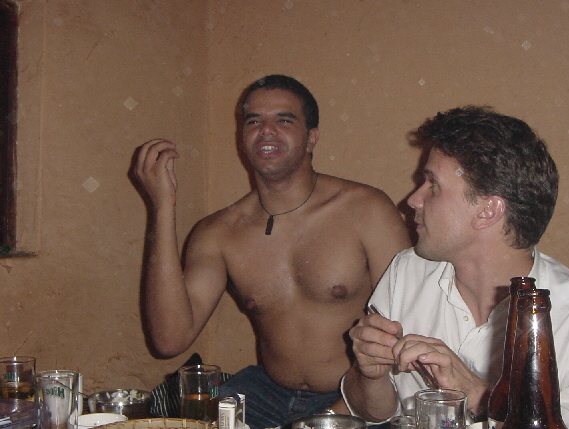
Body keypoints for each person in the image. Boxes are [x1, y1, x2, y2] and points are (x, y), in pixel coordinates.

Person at [132, 74, 410, 429]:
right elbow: (169, 339)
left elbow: (410, 323)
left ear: (311, 137)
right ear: (242, 139)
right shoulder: (219, 232)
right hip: (265, 394)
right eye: (253, 121)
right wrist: (162, 207)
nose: (266, 131)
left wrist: (340, 408)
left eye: (284, 120)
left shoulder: (367, 210)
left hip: (355, 395)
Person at [342, 106, 569, 428]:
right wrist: (370, 375)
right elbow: (372, 413)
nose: (413, 200)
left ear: (488, 211)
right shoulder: (407, 272)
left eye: (433, 185)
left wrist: (478, 395)